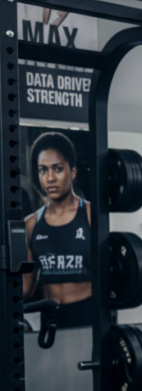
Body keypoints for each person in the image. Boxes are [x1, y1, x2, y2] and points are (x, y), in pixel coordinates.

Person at [24, 132, 92, 328]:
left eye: (58, 169)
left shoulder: (91, 216)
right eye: (43, 170)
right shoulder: (31, 225)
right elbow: (24, 289)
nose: (50, 178)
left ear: (72, 172)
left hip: (87, 319)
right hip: (51, 322)